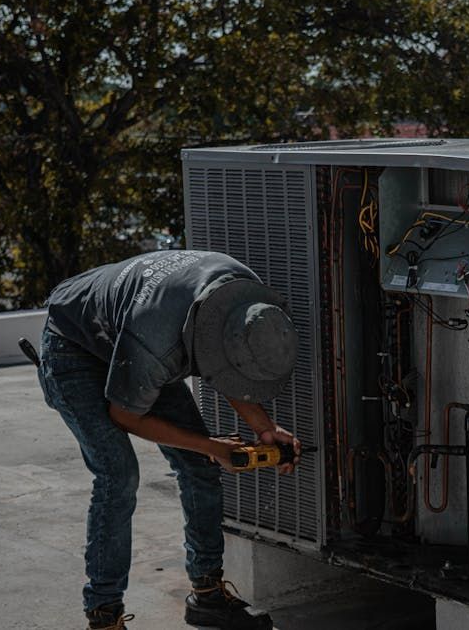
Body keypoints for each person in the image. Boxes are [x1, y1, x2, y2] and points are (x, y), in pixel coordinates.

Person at [36, 249, 300, 630]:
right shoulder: (157, 344)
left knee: (198, 467)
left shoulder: (245, 297)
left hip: (133, 334)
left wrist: (264, 428)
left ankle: (207, 596)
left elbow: (229, 363)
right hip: (73, 347)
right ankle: (104, 615)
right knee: (118, 474)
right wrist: (212, 447)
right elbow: (126, 416)